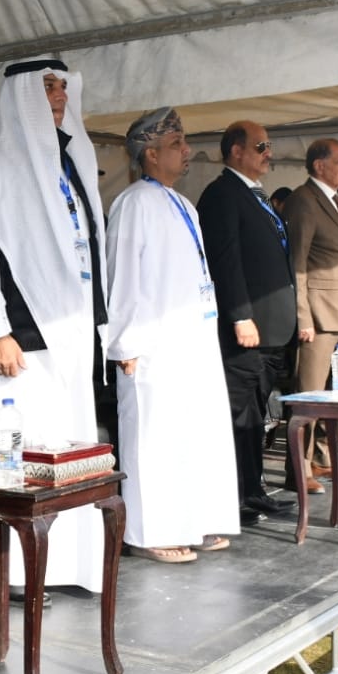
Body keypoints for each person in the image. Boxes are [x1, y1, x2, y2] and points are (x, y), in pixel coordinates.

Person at [0, 57, 107, 594]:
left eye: (64, 86)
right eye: (46, 86)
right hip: (19, 341)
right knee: (20, 458)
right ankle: (14, 573)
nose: (59, 96)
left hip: (71, 334)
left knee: (68, 457)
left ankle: (68, 566)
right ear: (20, 94)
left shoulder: (70, 159)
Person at [105, 109, 238, 559]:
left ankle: (193, 521)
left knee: (193, 435)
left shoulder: (183, 204)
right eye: (177, 144)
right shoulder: (133, 203)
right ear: (150, 154)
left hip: (191, 342)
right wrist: (125, 342)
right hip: (151, 345)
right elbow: (122, 276)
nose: (187, 151)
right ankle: (151, 533)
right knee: (154, 439)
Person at [196, 120, 296, 526]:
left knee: (256, 418)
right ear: (236, 151)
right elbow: (226, 262)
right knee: (238, 416)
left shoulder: (256, 196)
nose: (268, 153)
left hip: (270, 331)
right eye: (260, 146)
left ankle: (252, 490)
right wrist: (240, 315)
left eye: (269, 146)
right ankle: (233, 496)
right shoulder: (223, 194)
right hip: (245, 330)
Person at [283, 138, 338, 492]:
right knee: (310, 397)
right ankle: (299, 469)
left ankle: (327, 459)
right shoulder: (304, 199)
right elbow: (297, 263)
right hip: (318, 317)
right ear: (319, 165)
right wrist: (303, 318)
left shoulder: (334, 199)